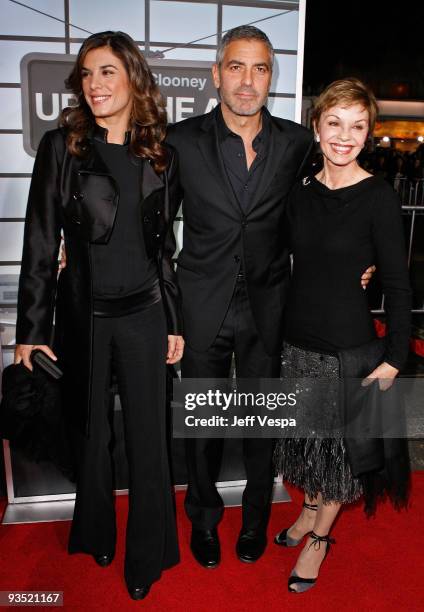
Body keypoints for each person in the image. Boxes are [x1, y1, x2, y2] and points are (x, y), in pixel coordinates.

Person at [166, 27, 374, 568]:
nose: (247, 80)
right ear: (216, 74)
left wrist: (363, 257)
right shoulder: (181, 141)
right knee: (204, 427)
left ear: (271, 78)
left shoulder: (298, 144)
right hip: (200, 306)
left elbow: (327, 207)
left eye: (260, 69)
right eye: (236, 66)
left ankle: (255, 519)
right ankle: (205, 521)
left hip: (271, 308)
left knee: (265, 426)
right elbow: (154, 228)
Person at [14, 31, 183, 600]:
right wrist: (30, 334)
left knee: (148, 438)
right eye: (86, 74)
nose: (94, 85)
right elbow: (40, 244)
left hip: (146, 316)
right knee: (91, 435)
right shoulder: (62, 149)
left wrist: (175, 322)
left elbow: (164, 250)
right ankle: (97, 534)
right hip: (84, 316)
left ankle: (147, 554)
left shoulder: (161, 151)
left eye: (107, 72)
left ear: (134, 77)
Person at [274, 78, 411, 593]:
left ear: (369, 133)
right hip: (297, 345)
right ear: (317, 126)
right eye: (335, 123)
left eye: (357, 126)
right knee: (308, 445)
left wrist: (396, 357)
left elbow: (399, 285)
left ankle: (318, 540)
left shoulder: (378, 197)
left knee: (337, 456)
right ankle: (309, 512)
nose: (344, 136)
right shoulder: (301, 193)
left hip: (348, 352)